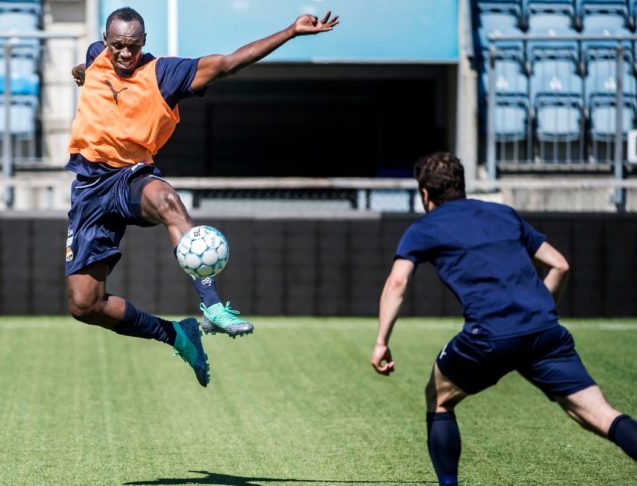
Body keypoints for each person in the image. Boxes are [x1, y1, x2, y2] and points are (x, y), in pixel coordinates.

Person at [65, 7, 339, 387]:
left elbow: (228, 63)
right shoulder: (97, 55)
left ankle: (212, 306)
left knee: (167, 201)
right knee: (85, 305)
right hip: (90, 188)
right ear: (106, 42)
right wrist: (81, 71)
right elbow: (91, 68)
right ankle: (178, 335)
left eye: (132, 46)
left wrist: (290, 32)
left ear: (144, 42)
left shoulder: (164, 73)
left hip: (130, 177)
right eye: (117, 46)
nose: (125, 54)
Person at [370, 152, 637, 485]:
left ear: (425, 194)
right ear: (461, 186)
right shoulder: (502, 214)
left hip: (489, 336)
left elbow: (397, 283)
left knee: (439, 399)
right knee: (601, 414)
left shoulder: (424, 228)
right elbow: (560, 265)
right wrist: (539, 313)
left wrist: (381, 341)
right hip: (544, 332)